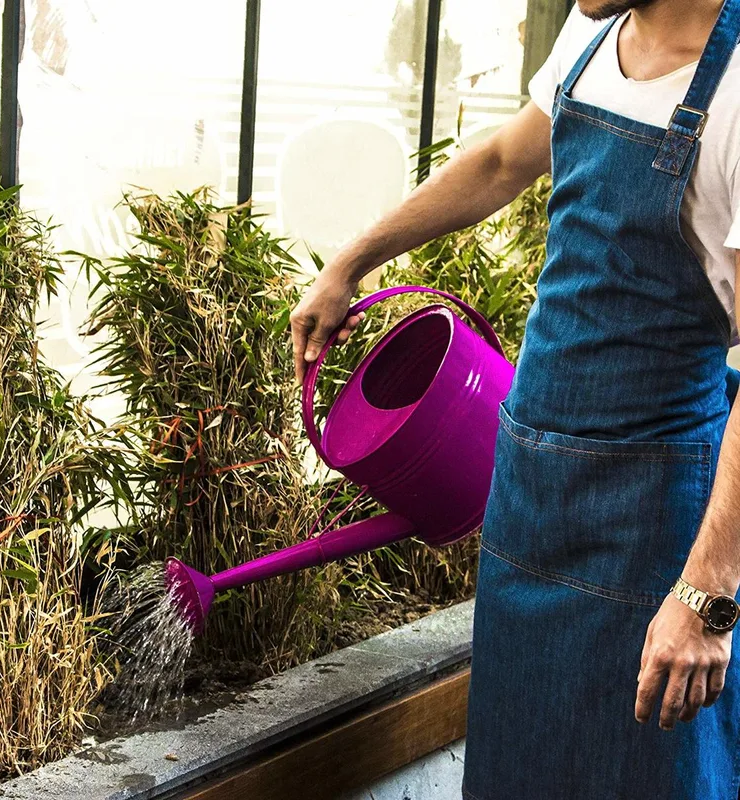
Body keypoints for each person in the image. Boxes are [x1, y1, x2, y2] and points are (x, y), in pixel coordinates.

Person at [291, 0, 740, 796]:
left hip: (653, 524)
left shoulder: (735, 90)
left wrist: (706, 594)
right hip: (532, 498)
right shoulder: (596, 30)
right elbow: (502, 160)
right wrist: (353, 262)